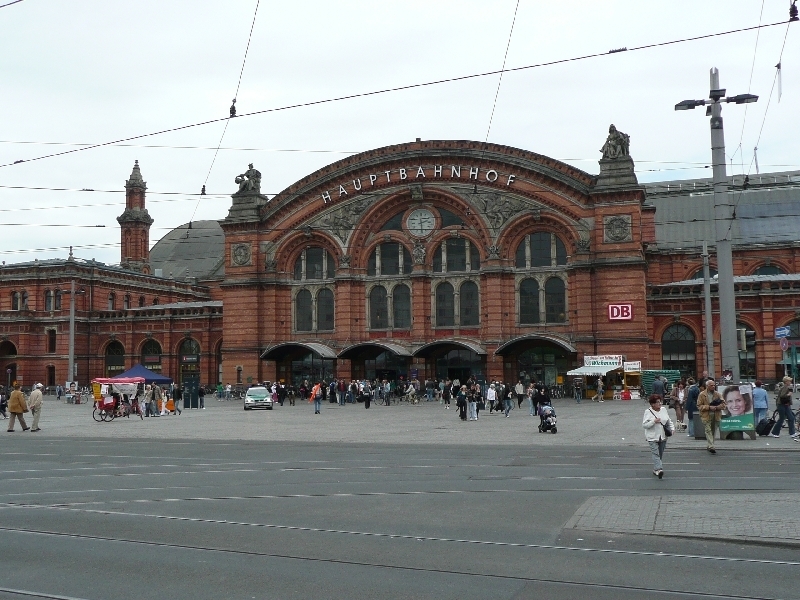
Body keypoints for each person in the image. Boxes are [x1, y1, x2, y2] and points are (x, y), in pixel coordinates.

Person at [643, 394, 674, 478]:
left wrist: (672, 428)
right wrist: (653, 421)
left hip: (663, 436)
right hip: (652, 437)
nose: (660, 403)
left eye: (660, 401)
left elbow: (668, 421)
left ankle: (656, 469)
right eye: (657, 402)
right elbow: (645, 425)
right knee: (655, 453)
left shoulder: (663, 410)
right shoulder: (648, 412)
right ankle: (659, 469)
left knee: (660, 453)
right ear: (652, 404)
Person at [697, 379, 726, 453]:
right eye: (711, 385)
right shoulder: (702, 395)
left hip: (716, 415)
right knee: (708, 430)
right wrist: (709, 407)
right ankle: (711, 446)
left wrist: (717, 407)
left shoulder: (717, 394)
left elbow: (724, 404)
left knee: (713, 430)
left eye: (714, 385)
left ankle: (710, 444)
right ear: (707, 386)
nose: (713, 386)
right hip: (706, 415)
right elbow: (699, 406)